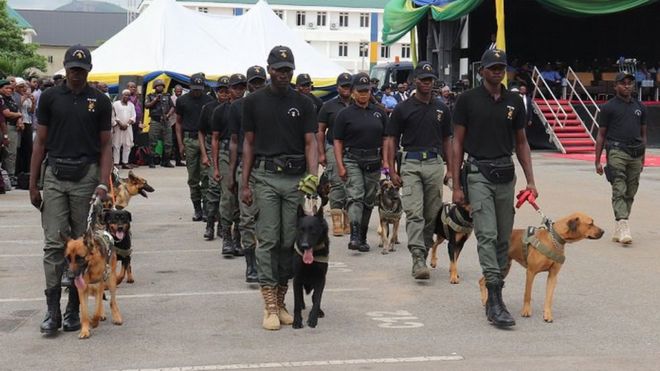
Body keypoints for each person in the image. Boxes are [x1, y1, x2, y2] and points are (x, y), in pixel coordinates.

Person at [29, 45, 112, 335]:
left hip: (86, 175)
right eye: (73, 69)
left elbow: (105, 145)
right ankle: (52, 311)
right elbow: (40, 142)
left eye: (82, 69)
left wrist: (104, 182)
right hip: (55, 174)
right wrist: (33, 182)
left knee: (83, 244)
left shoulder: (100, 100)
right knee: (54, 243)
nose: (77, 73)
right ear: (65, 69)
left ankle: (74, 310)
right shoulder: (50, 97)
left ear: (89, 70)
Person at [451, 49, 537, 328]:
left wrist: (531, 181)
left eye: (501, 66)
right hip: (478, 173)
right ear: (481, 71)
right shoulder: (467, 100)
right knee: (486, 234)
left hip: (505, 174)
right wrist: (455, 184)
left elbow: (522, 142)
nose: (497, 71)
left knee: (503, 238)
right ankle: (496, 299)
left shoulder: (514, 101)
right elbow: (457, 143)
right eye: (492, 67)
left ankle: (493, 291)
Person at [240, 46, 318, 330]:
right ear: (269, 69)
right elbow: (248, 143)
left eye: (288, 69)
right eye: (279, 69)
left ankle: (282, 300)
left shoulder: (305, 103)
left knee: (290, 241)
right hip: (266, 176)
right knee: (269, 239)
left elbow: (311, 143)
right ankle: (269, 304)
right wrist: (245, 183)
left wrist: (313, 179)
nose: (284, 74)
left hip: (296, 179)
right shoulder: (253, 102)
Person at [384, 62, 452, 280]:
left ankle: (424, 246)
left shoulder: (442, 108)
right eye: (423, 79)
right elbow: (392, 139)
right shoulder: (403, 108)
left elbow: (447, 140)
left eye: (430, 80)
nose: (427, 83)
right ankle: (418, 257)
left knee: (431, 212)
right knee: (414, 212)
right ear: (415, 81)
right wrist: (392, 170)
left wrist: (451, 169)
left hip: (434, 163)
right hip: (411, 163)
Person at [334, 72, 387, 252]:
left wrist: (386, 162)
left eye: (367, 90)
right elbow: (338, 141)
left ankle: (363, 236)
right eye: (360, 91)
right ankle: (355, 235)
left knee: (368, 200)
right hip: (352, 159)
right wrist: (340, 165)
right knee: (355, 196)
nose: (363, 94)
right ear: (353, 92)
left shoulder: (379, 112)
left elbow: (387, 139)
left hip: (373, 160)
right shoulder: (344, 114)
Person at [595, 72, 647, 245]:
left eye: (630, 83)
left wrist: (644, 157)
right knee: (619, 187)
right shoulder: (608, 107)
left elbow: (643, 134)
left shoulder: (640, 107)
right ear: (616, 86)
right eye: (623, 83)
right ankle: (624, 224)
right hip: (617, 151)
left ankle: (619, 225)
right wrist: (597, 160)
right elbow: (601, 135)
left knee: (631, 191)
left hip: (636, 153)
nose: (627, 86)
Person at [228, 65, 267, 282]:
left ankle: (269, 262)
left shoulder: (273, 104)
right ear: (248, 84)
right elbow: (234, 142)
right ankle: (251, 265)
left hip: (270, 164)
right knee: (248, 217)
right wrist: (232, 174)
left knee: (271, 220)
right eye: (254, 82)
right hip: (247, 166)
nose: (257, 85)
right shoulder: (238, 107)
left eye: (261, 81)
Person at [212, 74, 246, 254]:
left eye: (242, 87)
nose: (239, 91)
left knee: (243, 199)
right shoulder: (220, 111)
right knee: (227, 195)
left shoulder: (248, 107)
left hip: (245, 153)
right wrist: (215, 166)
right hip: (226, 153)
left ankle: (238, 237)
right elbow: (215, 139)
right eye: (235, 87)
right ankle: (226, 236)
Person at [317, 72, 352, 236]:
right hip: (332, 146)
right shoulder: (328, 106)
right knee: (337, 182)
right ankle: (336, 221)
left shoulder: (358, 103)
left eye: (349, 86)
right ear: (337, 87)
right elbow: (320, 130)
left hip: (353, 148)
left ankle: (348, 219)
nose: (347, 89)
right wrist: (321, 153)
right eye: (344, 86)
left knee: (352, 184)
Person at [176, 74, 214, 221]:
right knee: (193, 177)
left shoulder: (209, 100)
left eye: (199, 89)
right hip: (190, 139)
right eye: (194, 89)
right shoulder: (182, 101)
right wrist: (180, 144)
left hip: (206, 139)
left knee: (206, 176)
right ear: (189, 87)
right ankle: (197, 208)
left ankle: (206, 209)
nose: (197, 92)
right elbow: (178, 123)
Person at [200, 76, 230, 240]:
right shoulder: (209, 108)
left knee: (227, 192)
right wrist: (205, 154)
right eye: (221, 91)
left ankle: (223, 225)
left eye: (227, 91)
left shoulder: (235, 107)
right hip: (213, 146)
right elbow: (201, 131)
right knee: (213, 188)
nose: (224, 94)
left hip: (230, 148)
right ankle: (210, 223)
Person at [144, 79, 175, 168]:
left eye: (161, 85)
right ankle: (152, 161)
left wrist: (168, 115)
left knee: (168, 142)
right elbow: (147, 105)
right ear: (154, 87)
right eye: (158, 86)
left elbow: (172, 107)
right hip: (155, 121)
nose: (160, 87)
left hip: (166, 121)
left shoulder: (167, 96)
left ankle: (166, 161)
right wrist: (155, 100)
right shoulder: (150, 96)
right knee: (153, 141)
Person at [1, 79, 22, 186]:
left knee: (13, 152)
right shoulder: (2, 99)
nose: (9, 90)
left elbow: (18, 111)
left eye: (10, 88)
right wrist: (19, 115)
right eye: (6, 88)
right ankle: (9, 175)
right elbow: (7, 114)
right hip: (6, 127)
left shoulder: (11, 99)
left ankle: (10, 175)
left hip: (14, 127)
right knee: (9, 152)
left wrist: (19, 118)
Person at [111, 89, 137, 169]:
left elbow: (133, 116)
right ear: (122, 95)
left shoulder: (131, 105)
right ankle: (116, 163)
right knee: (116, 145)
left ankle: (125, 162)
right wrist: (120, 124)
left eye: (128, 95)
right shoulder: (116, 104)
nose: (127, 96)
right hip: (118, 127)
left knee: (127, 145)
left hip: (128, 128)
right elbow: (113, 116)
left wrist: (127, 124)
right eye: (125, 95)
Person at [170, 85, 185, 166]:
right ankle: (171, 159)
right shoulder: (171, 99)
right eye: (177, 91)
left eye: (180, 91)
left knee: (181, 141)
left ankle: (179, 160)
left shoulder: (184, 99)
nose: (179, 93)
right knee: (173, 141)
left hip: (181, 123)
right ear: (174, 91)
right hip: (172, 123)